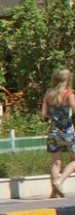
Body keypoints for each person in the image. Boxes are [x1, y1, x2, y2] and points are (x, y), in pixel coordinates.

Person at [42, 67, 75, 198]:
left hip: (54, 132)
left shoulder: (49, 94)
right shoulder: (69, 94)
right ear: (67, 79)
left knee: (56, 163)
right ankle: (60, 181)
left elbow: (44, 113)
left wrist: (54, 117)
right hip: (68, 132)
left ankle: (54, 193)